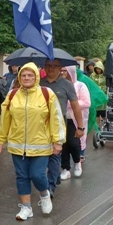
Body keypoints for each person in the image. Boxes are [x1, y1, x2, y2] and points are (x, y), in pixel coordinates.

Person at [0, 63, 65, 220]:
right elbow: (5, 119)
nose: (27, 78)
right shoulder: (13, 94)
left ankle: (44, 194)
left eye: (30, 75)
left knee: (37, 175)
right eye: (24, 75)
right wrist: (1, 139)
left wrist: (58, 141)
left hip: (41, 144)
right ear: (19, 78)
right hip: (17, 145)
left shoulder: (47, 93)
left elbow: (56, 118)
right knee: (22, 176)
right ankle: (26, 208)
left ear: (36, 77)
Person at [41, 60, 84, 196]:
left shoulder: (67, 84)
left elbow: (76, 106)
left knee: (55, 153)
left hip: (59, 125)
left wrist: (80, 127)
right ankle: (55, 177)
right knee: (42, 156)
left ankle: (50, 187)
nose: (50, 69)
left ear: (60, 68)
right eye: (47, 66)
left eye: (54, 66)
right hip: (40, 126)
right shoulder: (39, 83)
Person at [62, 66, 91, 178]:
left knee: (74, 143)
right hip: (63, 119)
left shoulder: (80, 86)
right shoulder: (60, 85)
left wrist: (71, 103)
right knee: (63, 144)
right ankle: (65, 168)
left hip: (76, 120)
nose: (62, 72)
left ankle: (77, 162)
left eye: (65, 70)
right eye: (62, 70)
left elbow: (86, 102)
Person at [90, 61, 106, 125]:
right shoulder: (92, 75)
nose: (98, 70)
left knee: (103, 112)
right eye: (97, 69)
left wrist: (102, 89)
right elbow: (90, 84)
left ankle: (105, 126)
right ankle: (97, 127)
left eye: (99, 69)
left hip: (102, 95)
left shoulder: (104, 76)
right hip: (95, 96)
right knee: (96, 113)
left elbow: (106, 85)